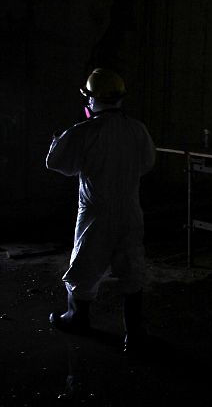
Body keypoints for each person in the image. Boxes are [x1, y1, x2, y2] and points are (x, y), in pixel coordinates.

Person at [46, 67, 156, 354]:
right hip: (131, 210)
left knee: (83, 266)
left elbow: (58, 164)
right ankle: (134, 333)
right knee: (132, 268)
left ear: (90, 98)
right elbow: (146, 164)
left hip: (95, 211)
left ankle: (77, 318)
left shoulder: (85, 131)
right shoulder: (137, 129)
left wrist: (61, 140)